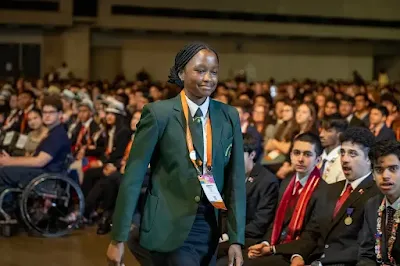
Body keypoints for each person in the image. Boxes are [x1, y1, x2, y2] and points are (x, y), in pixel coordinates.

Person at [107, 42, 246, 266]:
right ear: (181, 73)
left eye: (214, 72)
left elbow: (236, 180)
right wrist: (118, 238)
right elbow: (133, 177)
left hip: (210, 227)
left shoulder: (228, 115)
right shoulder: (158, 114)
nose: (208, 78)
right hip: (168, 225)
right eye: (200, 70)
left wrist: (236, 239)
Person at [280, 127, 378, 266]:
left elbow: (362, 245)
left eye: (352, 154)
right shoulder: (330, 188)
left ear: (369, 159)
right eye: (342, 153)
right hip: (311, 258)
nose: (344, 159)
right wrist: (299, 255)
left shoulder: (375, 195)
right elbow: (313, 232)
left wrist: (322, 262)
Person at [234, 133, 327, 266]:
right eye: (296, 153)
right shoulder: (286, 182)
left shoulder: (323, 190)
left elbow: (312, 235)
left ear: (318, 160)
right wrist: (265, 243)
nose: (300, 159)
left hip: (297, 253)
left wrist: (273, 249)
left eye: (307, 154)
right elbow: (275, 222)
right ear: (290, 156)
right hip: (274, 246)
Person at [0, 95, 71, 208]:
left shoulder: (58, 135)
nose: (47, 115)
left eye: (51, 112)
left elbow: (39, 161)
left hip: (45, 176)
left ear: (60, 114)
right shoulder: (51, 133)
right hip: (39, 172)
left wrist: (9, 162)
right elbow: (33, 157)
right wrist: (11, 160)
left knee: (3, 172)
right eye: (44, 112)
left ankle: (8, 207)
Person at [217, 132, 279, 259]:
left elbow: (260, 223)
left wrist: (229, 235)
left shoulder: (267, 181)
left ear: (252, 155)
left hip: (249, 237)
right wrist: (221, 233)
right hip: (228, 234)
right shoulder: (230, 175)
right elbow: (224, 211)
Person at [357, 139, 400, 265]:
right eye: (379, 170)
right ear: (373, 174)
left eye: (393, 168)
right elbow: (366, 254)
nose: (385, 175)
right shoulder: (372, 205)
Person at [318, 114, 347, 184]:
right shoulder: (316, 157)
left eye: (328, 131)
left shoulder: (344, 162)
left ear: (339, 135)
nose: (321, 135)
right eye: (321, 130)